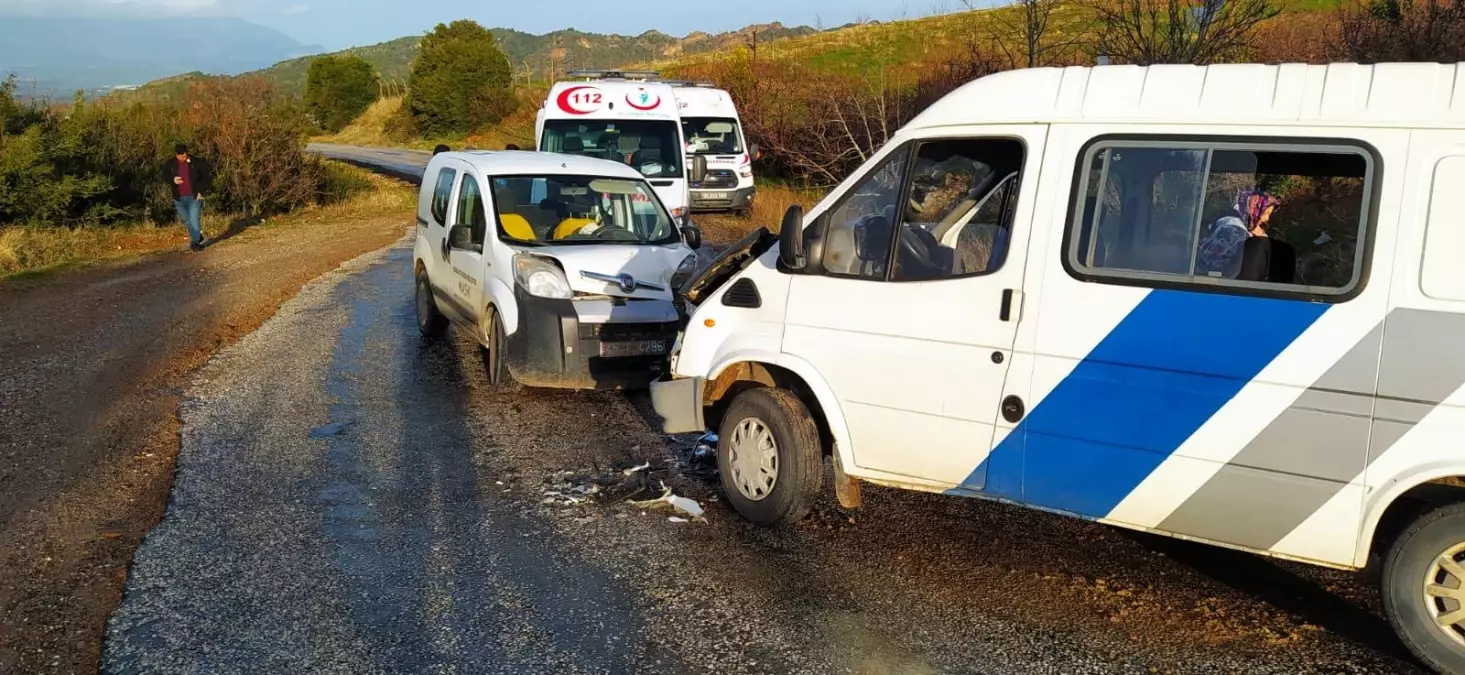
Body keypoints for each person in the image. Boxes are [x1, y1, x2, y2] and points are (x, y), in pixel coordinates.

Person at [1196, 188, 1281, 280]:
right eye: (1266, 213)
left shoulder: (1230, 220)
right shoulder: (1235, 230)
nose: (1267, 219)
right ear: (1255, 208)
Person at [161, 144, 213, 252]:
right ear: (176, 155)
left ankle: (195, 243)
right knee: (186, 220)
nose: (182, 158)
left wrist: (201, 192)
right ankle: (197, 236)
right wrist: (173, 180)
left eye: (183, 156)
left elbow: (207, 178)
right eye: (179, 157)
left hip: (194, 197)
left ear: (187, 153)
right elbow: (164, 175)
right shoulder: (170, 163)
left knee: (194, 220)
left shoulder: (197, 162)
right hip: (179, 198)